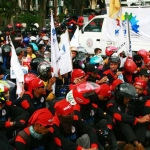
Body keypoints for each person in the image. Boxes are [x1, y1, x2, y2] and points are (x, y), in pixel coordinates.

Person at [106, 82, 150, 150]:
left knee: (144, 120)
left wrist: (144, 118)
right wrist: (137, 120)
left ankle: (139, 144)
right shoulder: (111, 104)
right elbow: (118, 116)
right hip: (117, 130)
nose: (128, 99)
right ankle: (135, 144)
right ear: (120, 96)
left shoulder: (129, 103)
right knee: (123, 120)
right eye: (126, 97)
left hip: (129, 130)